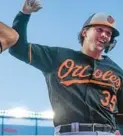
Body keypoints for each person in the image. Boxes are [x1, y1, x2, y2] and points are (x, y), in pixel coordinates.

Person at [9, 0, 123, 135]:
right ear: (85, 32)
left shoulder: (117, 71)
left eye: (109, 33)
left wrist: (120, 130)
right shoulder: (58, 57)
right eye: (99, 30)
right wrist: (24, 14)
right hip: (69, 132)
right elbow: (18, 49)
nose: (104, 35)